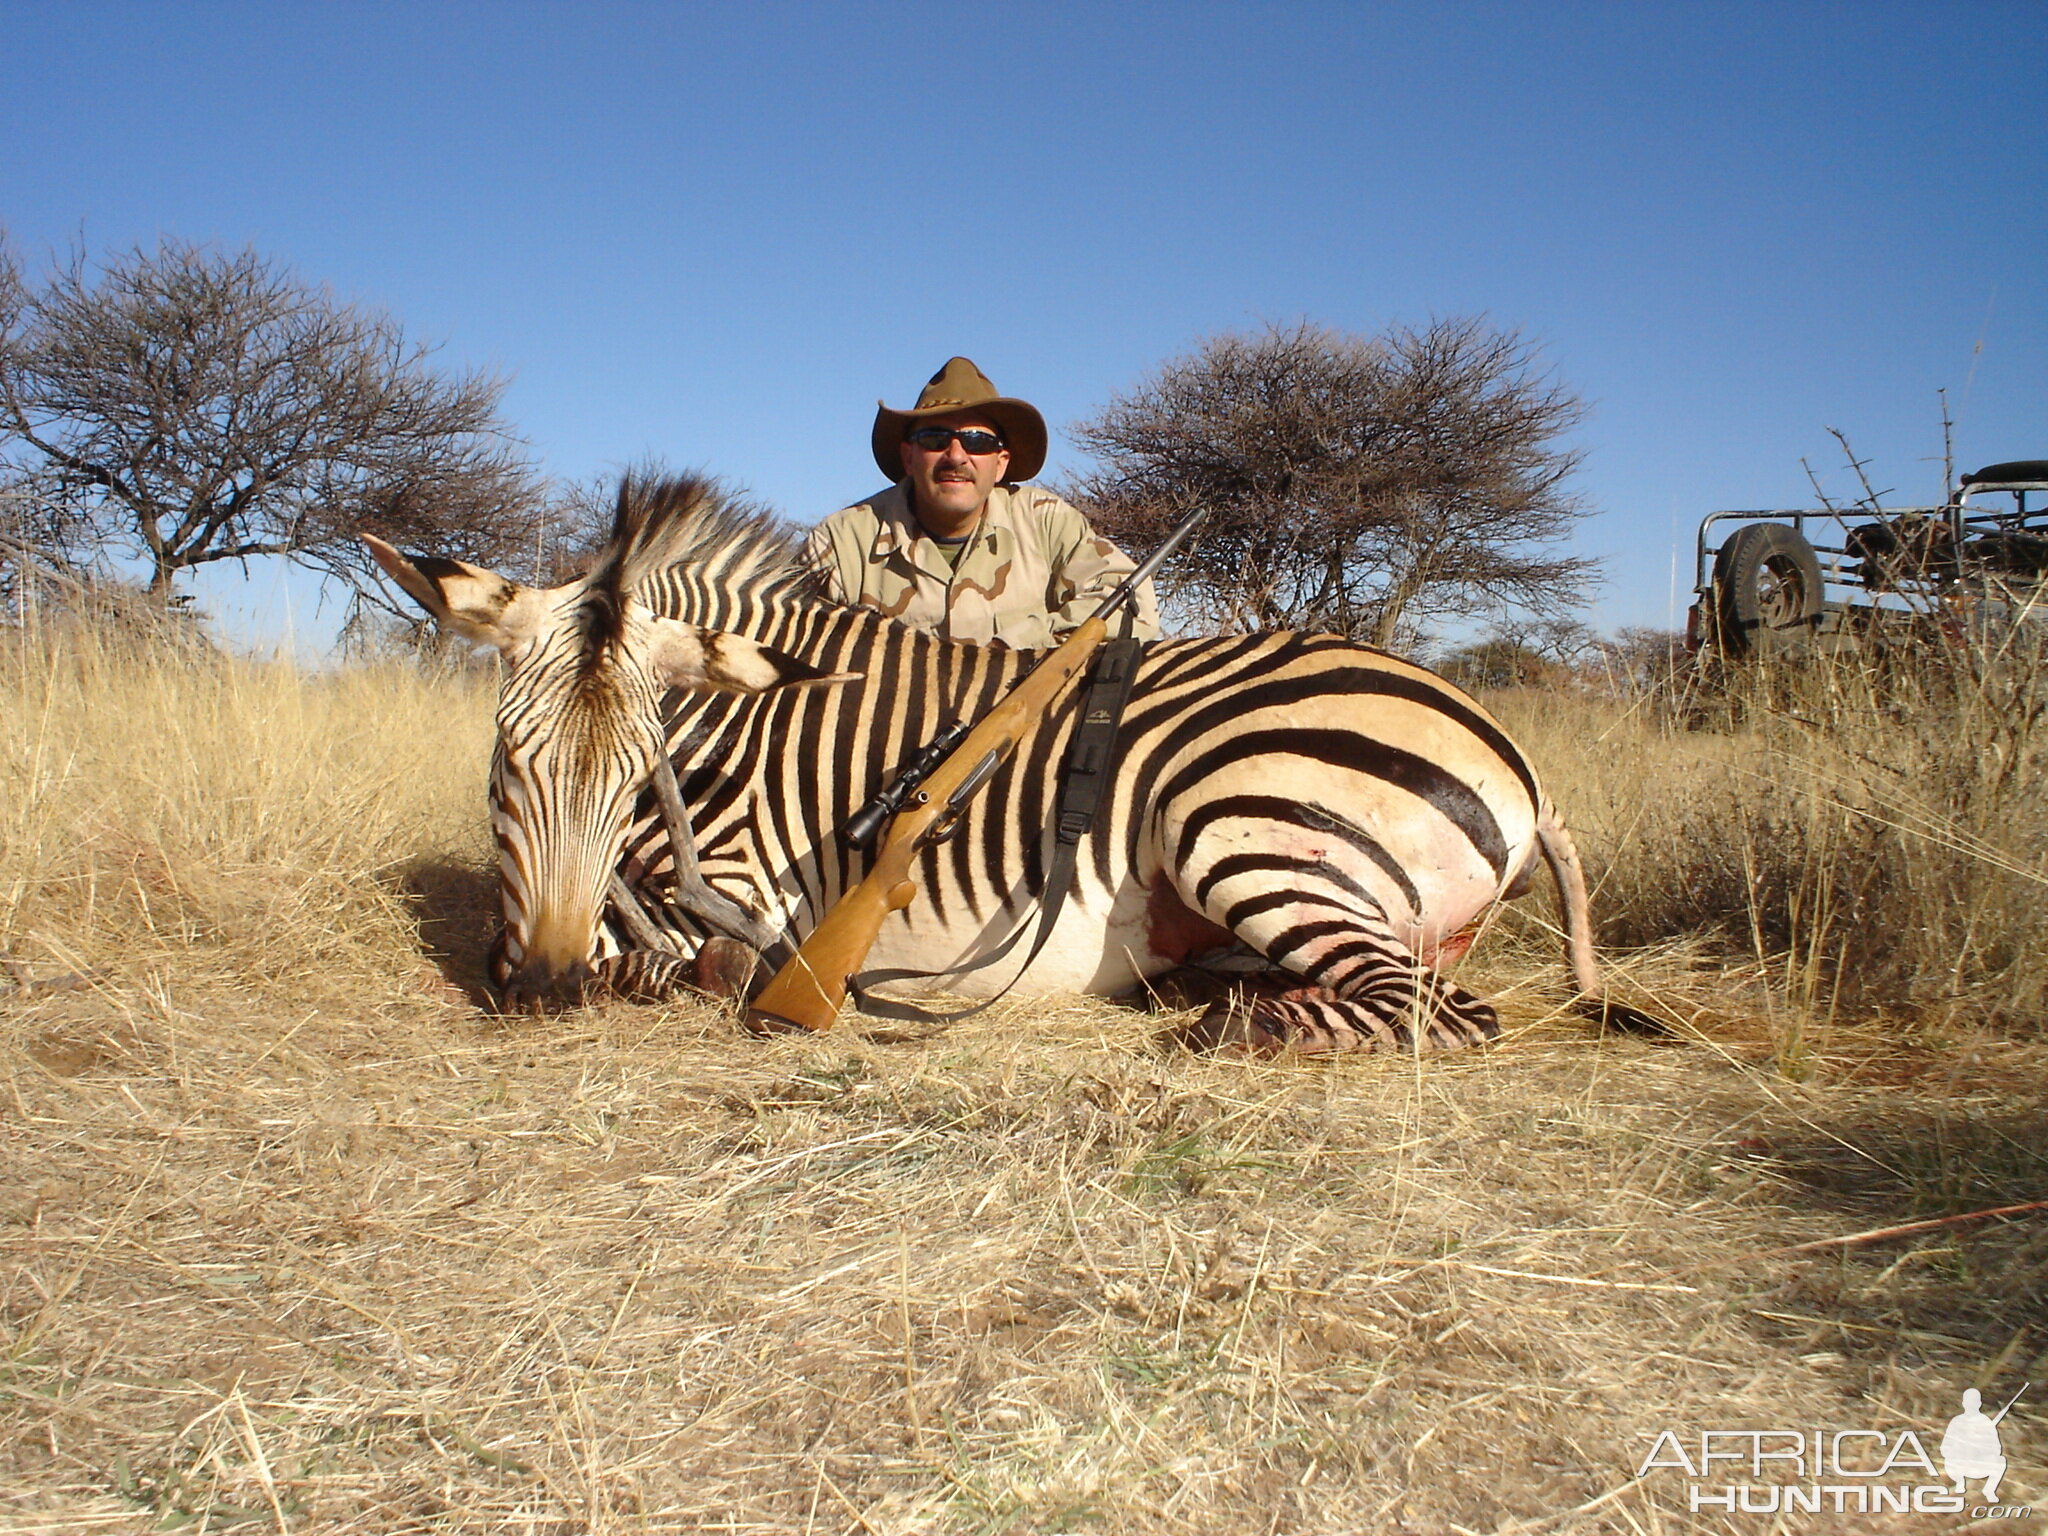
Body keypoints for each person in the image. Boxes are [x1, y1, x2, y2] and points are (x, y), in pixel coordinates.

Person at [805, 357, 1161, 649]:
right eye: (934, 438)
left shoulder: (1047, 523)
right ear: (909, 457)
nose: (956, 456)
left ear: (1001, 462)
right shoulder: (838, 543)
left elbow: (1133, 605)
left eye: (977, 442)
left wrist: (1013, 646)